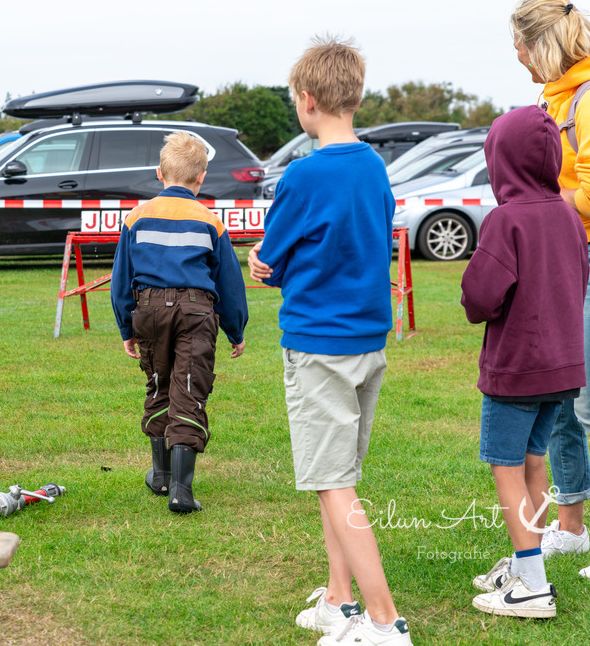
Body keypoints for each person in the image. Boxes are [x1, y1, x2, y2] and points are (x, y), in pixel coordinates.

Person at [247, 36, 410, 644]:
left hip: (320, 344)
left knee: (334, 481)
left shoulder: (303, 174)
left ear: (306, 100)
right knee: (335, 476)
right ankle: (340, 600)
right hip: (368, 341)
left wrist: (261, 262)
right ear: (356, 98)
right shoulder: (373, 166)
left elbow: (275, 256)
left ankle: (385, 621)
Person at [463, 106, 588, 617]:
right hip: (562, 369)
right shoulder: (569, 216)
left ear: (500, 160)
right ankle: (524, 562)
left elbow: (480, 297)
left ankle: (532, 585)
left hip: (515, 370)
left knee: (507, 467)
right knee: (535, 462)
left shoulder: (505, 219)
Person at [110, 131, 247, 514]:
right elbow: (229, 283)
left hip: (149, 310)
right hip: (197, 311)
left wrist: (127, 328)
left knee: (159, 384)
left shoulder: (136, 217)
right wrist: (235, 329)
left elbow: (122, 279)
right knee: (189, 388)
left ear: (159, 173)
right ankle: (181, 491)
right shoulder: (210, 220)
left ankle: (160, 474)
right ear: (201, 177)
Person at [511, 0, 590, 576]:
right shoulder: (553, 97)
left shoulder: (586, 100)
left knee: (586, 404)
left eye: (519, 45)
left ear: (542, 44)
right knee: (563, 399)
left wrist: (541, 201)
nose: (517, 57)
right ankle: (572, 526)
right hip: (565, 262)